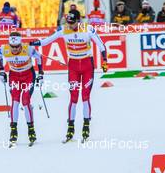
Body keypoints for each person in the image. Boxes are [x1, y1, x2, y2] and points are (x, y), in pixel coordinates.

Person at [30, 10, 108, 142]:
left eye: (72, 23)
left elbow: (101, 46)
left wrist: (104, 60)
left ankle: (86, 126)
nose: (70, 25)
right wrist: (35, 43)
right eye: (69, 23)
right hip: (73, 67)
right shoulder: (64, 30)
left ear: (79, 20)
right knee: (73, 97)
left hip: (87, 65)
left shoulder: (88, 29)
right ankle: (70, 127)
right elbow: (46, 41)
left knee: (85, 96)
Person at [0, 32, 44, 146]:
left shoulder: (28, 49)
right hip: (14, 76)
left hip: (28, 75)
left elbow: (39, 58)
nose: (14, 49)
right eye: (12, 46)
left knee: (26, 100)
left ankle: (31, 129)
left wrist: (41, 73)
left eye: (17, 46)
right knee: (15, 101)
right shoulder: (4, 49)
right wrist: (2, 70)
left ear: (21, 44)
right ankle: (13, 130)